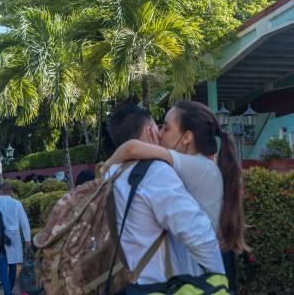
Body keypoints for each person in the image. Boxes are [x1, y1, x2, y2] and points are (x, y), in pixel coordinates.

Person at [103, 101, 247, 294]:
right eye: (159, 127)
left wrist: (106, 166)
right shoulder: (181, 168)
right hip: (198, 271)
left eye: (166, 127)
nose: (160, 133)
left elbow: (131, 149)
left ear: (186, 138)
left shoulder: (199, 166)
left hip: (204, 271)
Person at [0, 183, 31, 295]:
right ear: (11, 192)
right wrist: (27, 239)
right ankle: (8, 290)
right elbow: (24, 222)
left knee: (2, 266)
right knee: (13, 265)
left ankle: (7, 292)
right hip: (13, 237)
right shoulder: (17, 203)